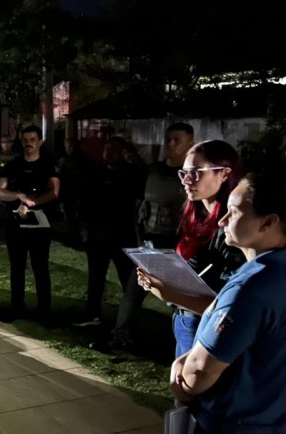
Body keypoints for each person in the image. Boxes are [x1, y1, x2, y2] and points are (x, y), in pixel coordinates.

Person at [169, 173, 286, 433]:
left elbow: (200, 371)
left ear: (268, 222)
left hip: (230, 423)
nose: (222, 221)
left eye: (233, 212)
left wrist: (182, 381)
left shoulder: (252, 286)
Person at [138, 140, 246, 357]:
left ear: (225, 173)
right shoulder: (195, 215)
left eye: (197, 172)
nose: (187, 180)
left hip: (207, 328)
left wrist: (167, 293)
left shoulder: (232, 230)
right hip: (184, 320)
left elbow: (227, 310)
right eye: (184, 173)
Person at [100, 123, 195, 350]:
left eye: (177, 140)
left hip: (177, 246)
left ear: (190, 144)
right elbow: (139, 209)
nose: (170, 144)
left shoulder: (193, 177)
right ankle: (121, 335)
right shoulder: (152, 172)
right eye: (168, 139)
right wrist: (139, 241)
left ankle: (186, 345)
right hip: (150, 242)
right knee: (133, 293)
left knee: (180, 301)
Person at [74, 136, 146, 327]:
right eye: (106, 149)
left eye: (114, 149)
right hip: (98, 237)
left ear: (123, 153)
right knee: (95, 277)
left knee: (127, 280)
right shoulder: (96, 173)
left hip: (123, 237)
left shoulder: (132, 174)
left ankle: (130, 319)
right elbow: (83, 201)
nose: (109, 153)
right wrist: (85, 228)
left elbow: (141, 187)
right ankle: (92, 314)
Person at [0, 125, 60, 323]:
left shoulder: (49, 164)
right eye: (25, 140)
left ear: (40, 141)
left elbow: (55, 191)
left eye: (33, 139)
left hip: (40, 224)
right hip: (15, 224)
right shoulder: (13, 165)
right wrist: (20, 196)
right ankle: (17, 307)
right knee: (16, 267)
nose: (29, 143)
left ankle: (44, 310)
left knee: (40, 266)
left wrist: (32, 202)